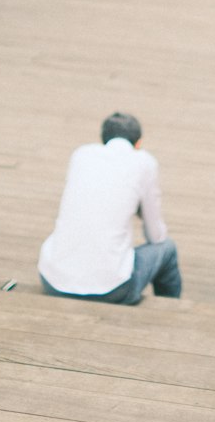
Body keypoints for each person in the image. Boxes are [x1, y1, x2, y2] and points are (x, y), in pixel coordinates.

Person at [38, 112, 182, 304]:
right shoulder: (144, 162)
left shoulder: (81, 155)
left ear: (103, 139)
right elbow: (156, 236)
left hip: (53, 281)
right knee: (167, 248)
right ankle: (171, 310)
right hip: (112, 289)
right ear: (138, 144)